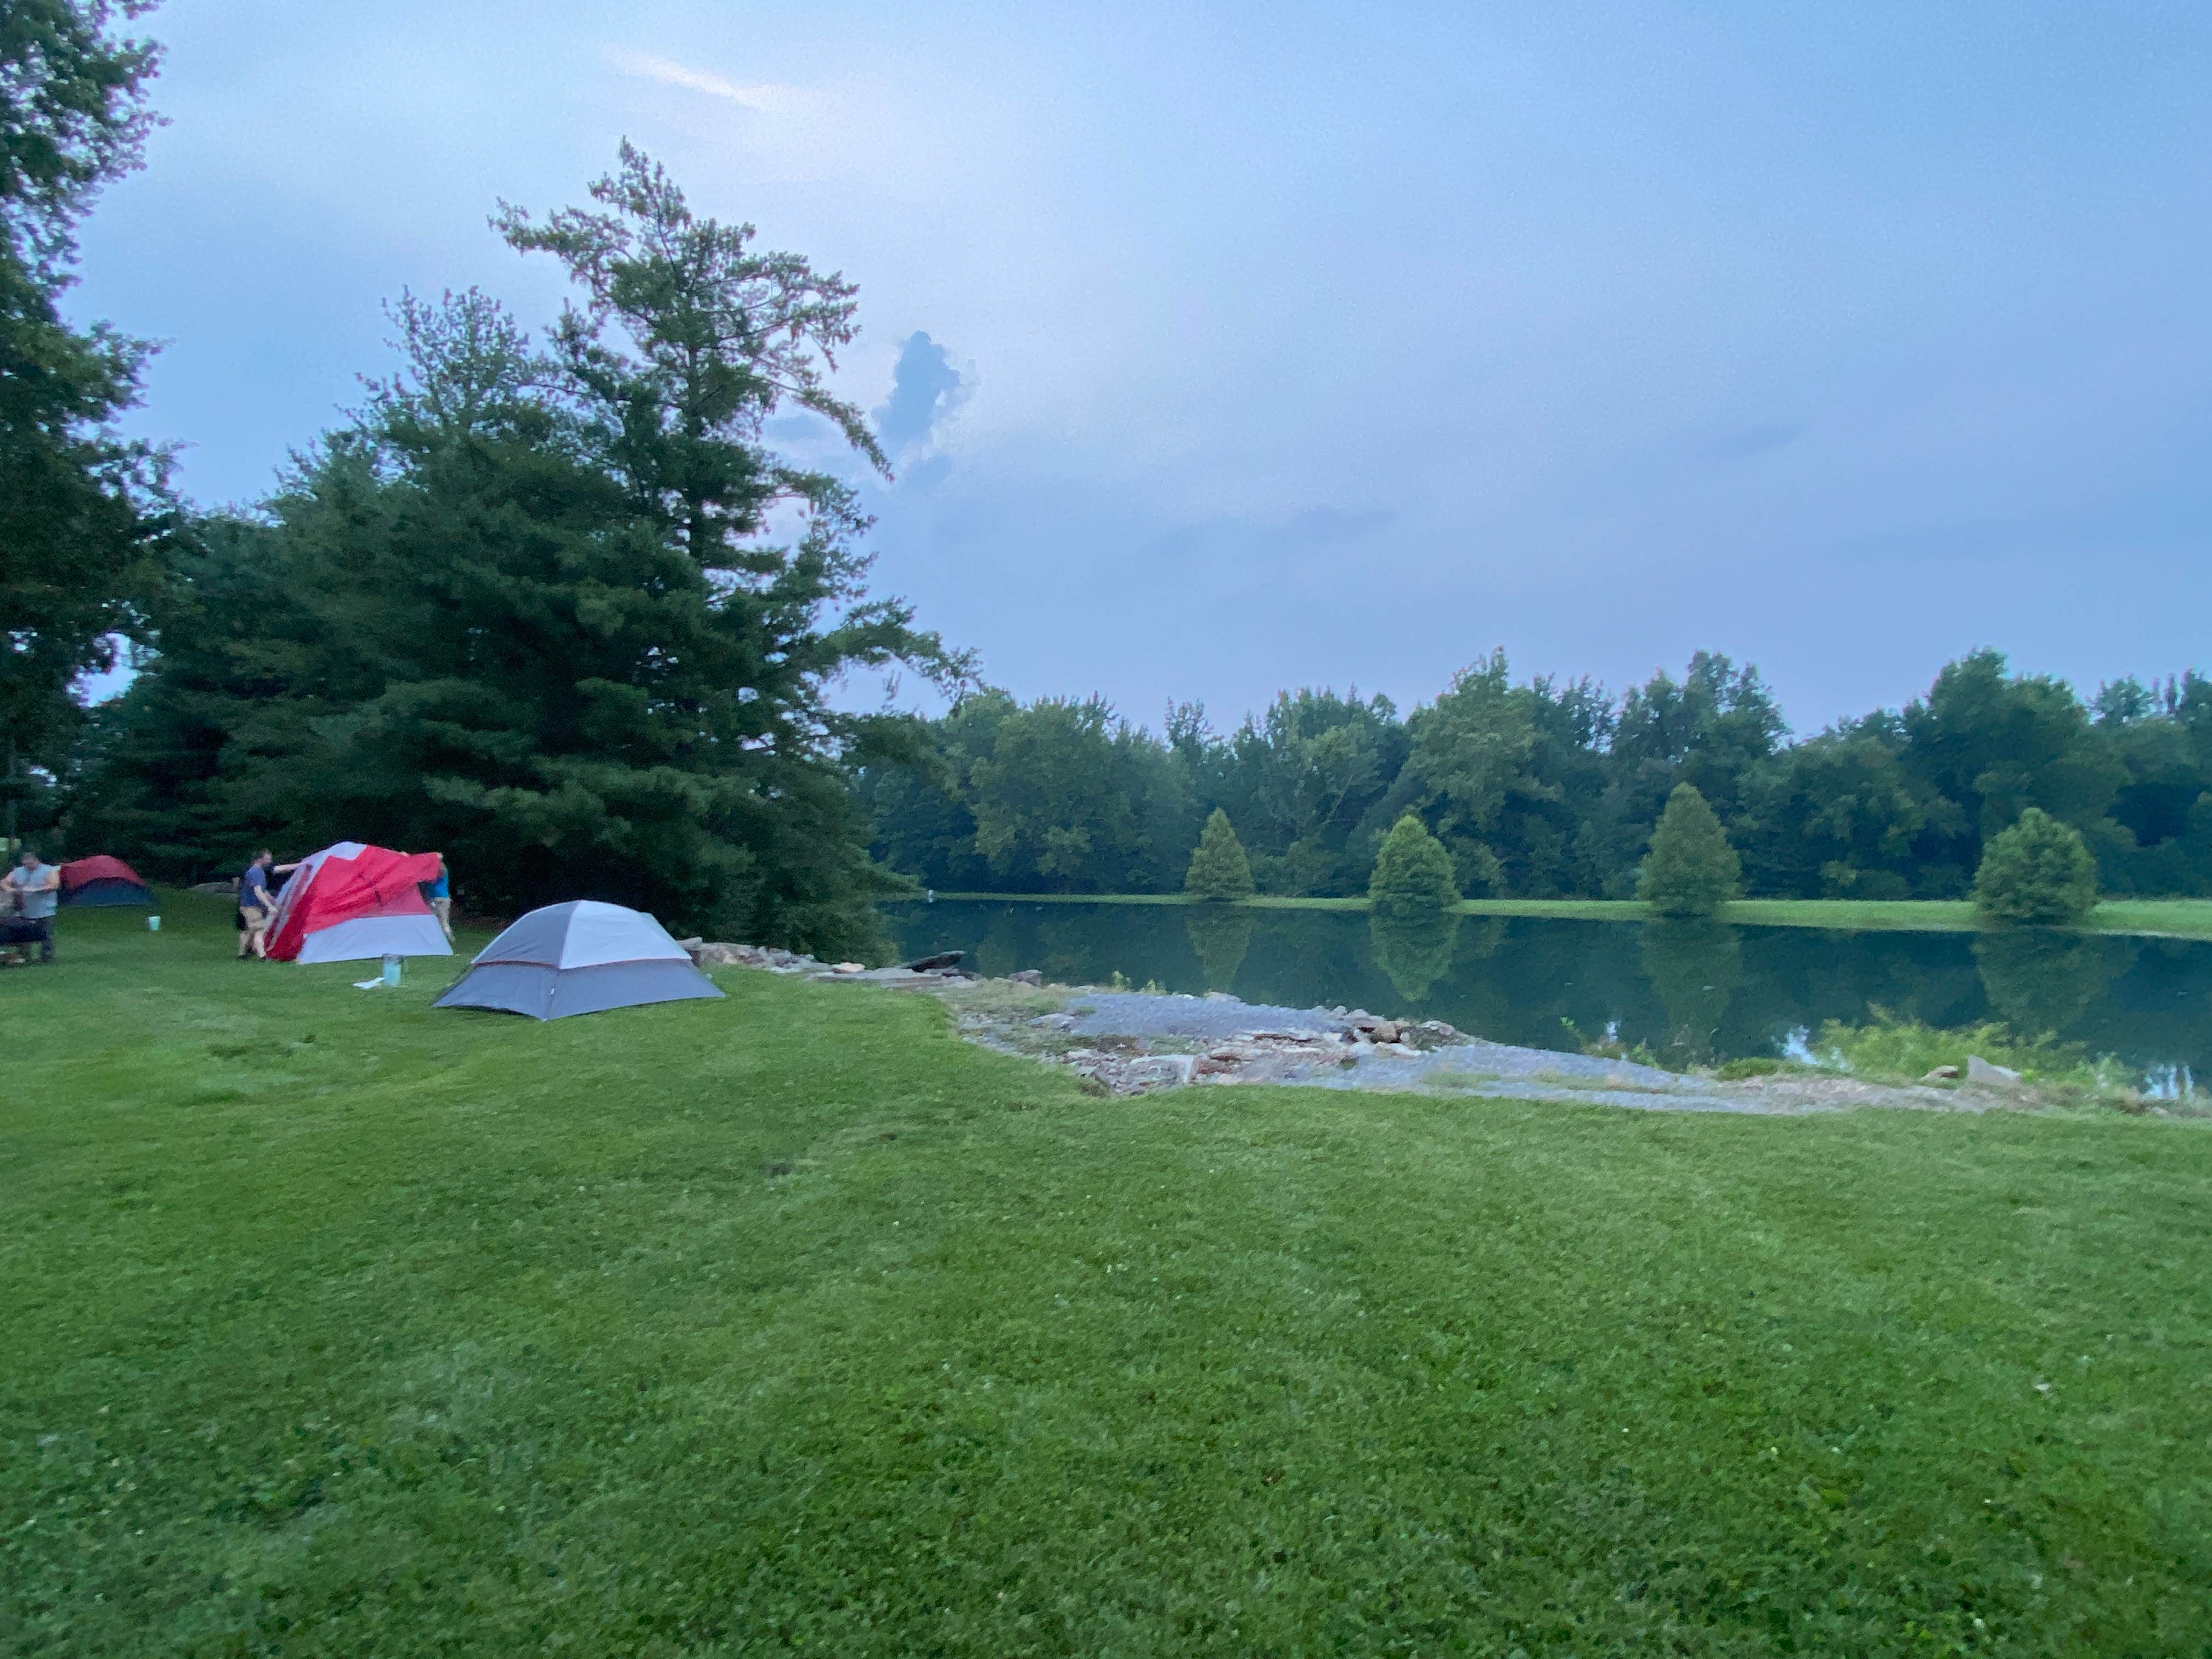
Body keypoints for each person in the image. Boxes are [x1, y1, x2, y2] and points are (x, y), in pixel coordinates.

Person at [3, 848, 61, 964]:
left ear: (37, 861)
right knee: (23, 933)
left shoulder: (49, 870)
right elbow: (4, 882)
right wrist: (11, 890)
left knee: (46, 933)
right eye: (26, 864)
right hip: (25, 909)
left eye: (31, 863)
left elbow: (54, 885)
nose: (28, 866)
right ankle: (24, 956)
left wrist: (36, 890)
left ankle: (46, 957)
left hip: (45, 909)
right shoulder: (18, 871)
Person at [237, 848, 280, 960]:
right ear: (260, 859)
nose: (270, 861)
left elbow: (264, 891)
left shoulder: (259, 871)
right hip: (251, 907)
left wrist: (274, 901)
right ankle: (263, 957)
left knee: (249, 930)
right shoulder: (255, 872)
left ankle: (242, 955)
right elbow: (258, 891)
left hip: (250, 906)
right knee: (260, 930)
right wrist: (269, 906)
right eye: (267, 859)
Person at [426, 854, 453, 944]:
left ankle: (437, 938)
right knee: (444, 918)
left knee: (435, 918)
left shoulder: (431, 872)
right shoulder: (445, 870)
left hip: (434, 897)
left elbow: (428, 884)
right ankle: (447, 934)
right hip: (444, 896)